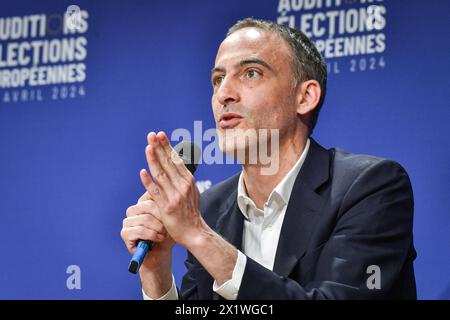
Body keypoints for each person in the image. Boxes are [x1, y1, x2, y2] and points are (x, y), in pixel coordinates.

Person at [120, 18, 416, 300]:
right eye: (217, 79)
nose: (224, 93)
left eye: (251, 73)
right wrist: (156, 271)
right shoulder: (212, 207)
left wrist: (199, 235)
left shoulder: (371, 188)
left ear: (305, 97)